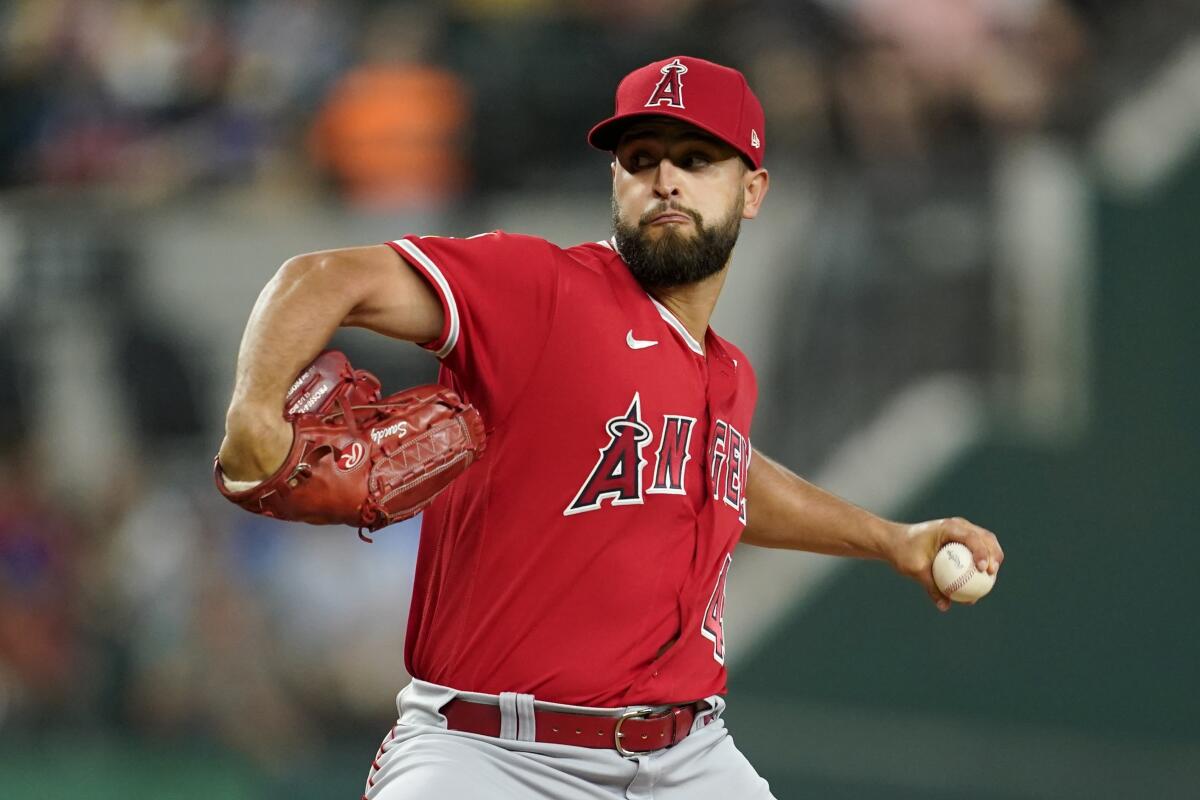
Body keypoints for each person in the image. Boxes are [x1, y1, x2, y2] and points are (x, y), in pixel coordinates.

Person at [217, 56, 1004, 800]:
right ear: (615, 181)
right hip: (491, 752)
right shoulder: (542, 291)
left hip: (688, 754)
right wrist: (255, 410)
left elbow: (723, 476)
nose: (665, 179)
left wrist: (890, 539)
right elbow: (322, 277)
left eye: (697, 159)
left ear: (753, 189)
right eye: (641, 158)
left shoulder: (727, 373)